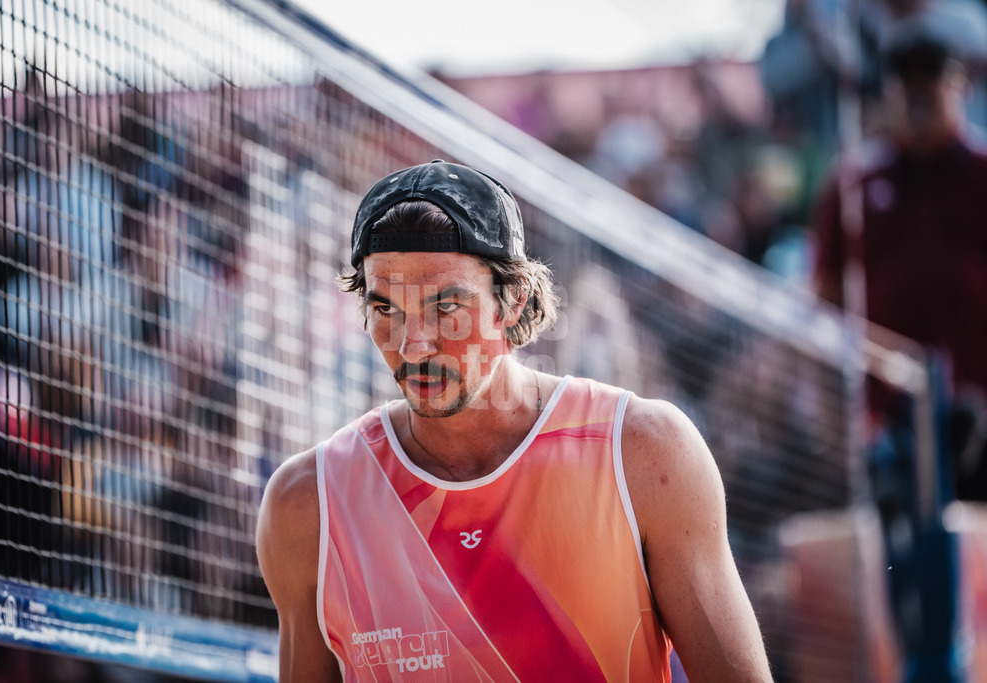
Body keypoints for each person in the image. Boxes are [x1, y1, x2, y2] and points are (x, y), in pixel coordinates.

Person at [256, 160, 773, 682]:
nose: (412, 344)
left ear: (513, 300)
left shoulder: (643, 453)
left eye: (446, 306)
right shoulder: (308, 505)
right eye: (386, 309)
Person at [811, 21, 987, 499]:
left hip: (978, 417)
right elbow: (823, 302)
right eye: (903, 83)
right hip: (889, 425)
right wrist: (837, 418)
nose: (917, 96)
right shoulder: (856, 184)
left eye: (930, 80)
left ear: (960, 86)